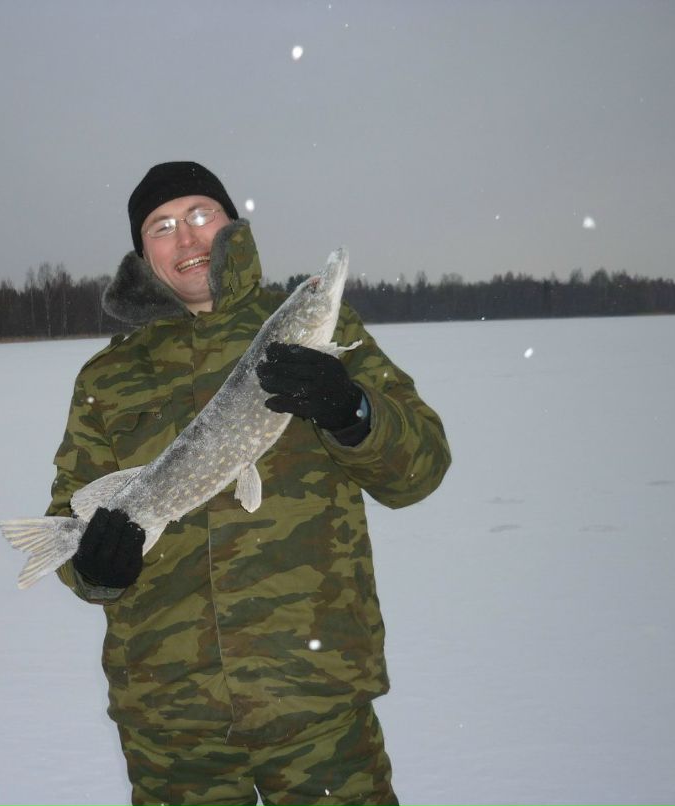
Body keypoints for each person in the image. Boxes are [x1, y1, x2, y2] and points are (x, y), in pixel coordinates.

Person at [47, 161, 450, 805]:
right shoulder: (109, 377)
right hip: (170, 721)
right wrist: (95, 568)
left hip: (315, 696)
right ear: (142, 253)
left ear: (233, 225)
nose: (187, 240)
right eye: (162, 226)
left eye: (201, 215)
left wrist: (352, 411)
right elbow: (72, 516)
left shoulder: (327, 336)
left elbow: (420, 470)